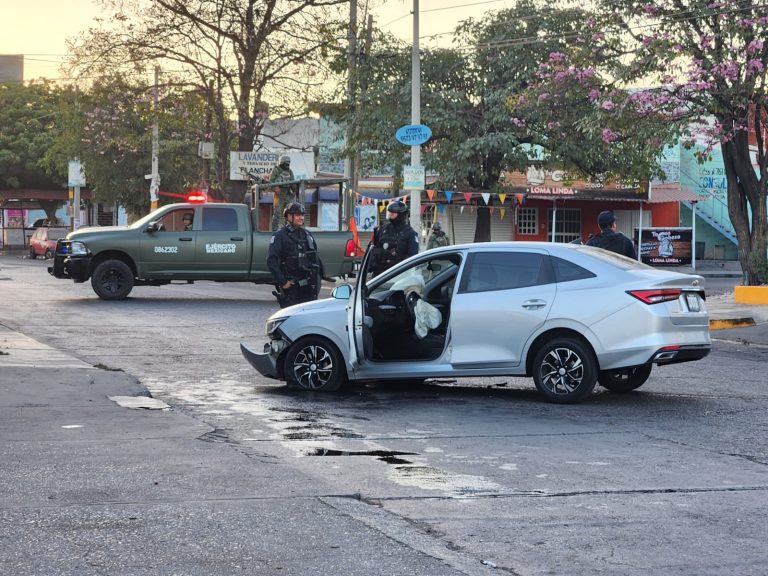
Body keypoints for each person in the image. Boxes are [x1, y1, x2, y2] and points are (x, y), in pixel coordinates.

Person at [267, 202, 321, 308]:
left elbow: (314, 258)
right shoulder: (279, 236)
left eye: (302, 215)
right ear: (288, 216)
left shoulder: (307, 235)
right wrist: (283, 282)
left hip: (308, 286)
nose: (301, 218)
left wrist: (316, 281)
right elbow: (271, 260)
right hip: (291, 285)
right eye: (297, 215)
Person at [369, 200, 419, 276]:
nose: (390, 214)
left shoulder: (410, 233)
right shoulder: (382, 229)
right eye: (390, 212)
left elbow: (412, 258)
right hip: (379, 275)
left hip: (398, 275)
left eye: (393, 212)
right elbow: (374, 250)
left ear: (401, 214)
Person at [269, 155, 297, 231]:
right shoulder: (276, 170)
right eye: (286, 163)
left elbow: (293, 182)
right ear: (282, 163)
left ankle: (288, 229)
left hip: (287, 193)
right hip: (278, 194)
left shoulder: (290, 171)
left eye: (289, 163)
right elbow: (270, 183)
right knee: (277, 213)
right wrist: (275, 188)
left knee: (289, 212)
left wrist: (294, 189)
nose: (288, 165)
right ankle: (274, 230)